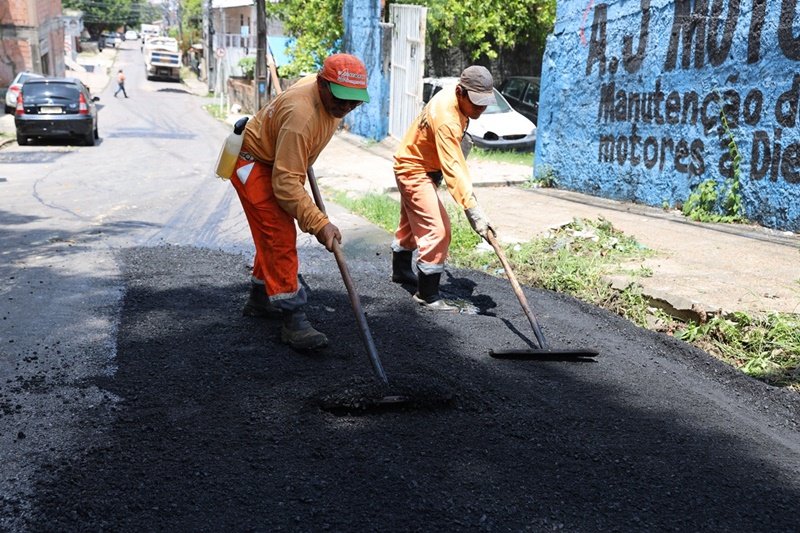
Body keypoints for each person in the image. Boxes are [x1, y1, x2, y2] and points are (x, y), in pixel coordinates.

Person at [232, 53, 369, 350]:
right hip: (253, 163)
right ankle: (293, 321)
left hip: (277, 160)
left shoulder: (322, 97)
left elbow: (289, 170)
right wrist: (319, 223)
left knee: (272, 234)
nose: (346, 107)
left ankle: (259, 299)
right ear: (321, 84)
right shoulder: (300, 117)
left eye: (354, 102)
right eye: (341, 99)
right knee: (279, 234)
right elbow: (285, 184)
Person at [391, 65, 496, 312]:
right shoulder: (447, 119)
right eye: (476, 103)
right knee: (437, 229)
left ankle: (401, 271)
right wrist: (473, 211)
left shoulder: (452, 94)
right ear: (460, 92)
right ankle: (427, 294)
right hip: (413, 169)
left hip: (418, 162)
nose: (480, 109)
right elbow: (454, 169)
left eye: (484, 103)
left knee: (411, 223)